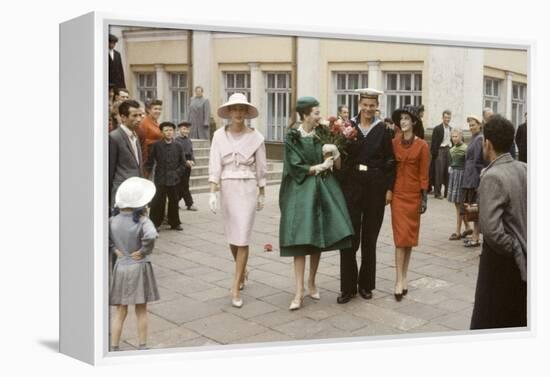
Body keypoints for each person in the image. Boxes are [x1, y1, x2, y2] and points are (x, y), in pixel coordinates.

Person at [279, 97, 354, 310]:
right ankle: (298, 290)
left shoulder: (323, 134)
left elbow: (337, 166)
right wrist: (319, 166)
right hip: (300, 192)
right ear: (304, 115)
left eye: (318, 112)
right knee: (299, 240)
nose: (318, 116)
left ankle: (312, 281)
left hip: (321, 190)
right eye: (314, 112)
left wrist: (336, 152)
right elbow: (295, 168)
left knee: (317, 237)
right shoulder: (292, 137)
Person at [208, 93, 267, 308]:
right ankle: (243, 270)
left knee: (242, 236)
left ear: (247, 112)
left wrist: (262, 193)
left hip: (247, 188)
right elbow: (215, 165)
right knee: (233, 238)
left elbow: (261, 167)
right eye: (235, 109)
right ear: (229, 112)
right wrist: (212, 192)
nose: (238, 113)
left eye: (242, 109)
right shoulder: (218, 136)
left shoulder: (256, 137)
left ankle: (235, 286)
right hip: (227, 189)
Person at [337, 88, 396, 304]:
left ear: (377, 106)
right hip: (352, 188)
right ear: (359, 103)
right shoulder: (348, 127)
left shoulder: (383, 130)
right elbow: (340, 156)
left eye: (373, 105)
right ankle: (347, 287)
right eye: (365, 105)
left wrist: (389, 189)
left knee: (370, 239)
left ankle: (366, 285)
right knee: (349, 239)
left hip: (375, 189)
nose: (369, 109)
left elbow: (390, 161)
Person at [470, 114, 527, 329]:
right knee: (516, 317)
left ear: (488, 143)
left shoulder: (493, 175)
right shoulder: (524, 168)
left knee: (490, 318)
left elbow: (491, 230)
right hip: (523, 261)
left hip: (501, 262)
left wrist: (513, 247)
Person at [109, 177, 160, 351]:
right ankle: (142, 345)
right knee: (141, 309)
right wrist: (144, 251)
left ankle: (114, 346)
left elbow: (104, 236)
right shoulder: (143, 221)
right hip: (139, 267)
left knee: (120, 311)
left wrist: (114, 248)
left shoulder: (112, 221)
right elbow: (152, 235)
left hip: (121, 267)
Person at [389, 105, 429, 300]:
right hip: (398, 195)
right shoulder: (394, 143)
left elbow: (424, 173)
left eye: (407, 118)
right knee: (399, 238)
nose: (403, 122)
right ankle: (397, 279)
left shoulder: (422, 145)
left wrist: (424, 197)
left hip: (413, 196)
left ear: (414, 121)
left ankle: (405, 276)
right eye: (401, 119)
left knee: (409, 239)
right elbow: (389, 169)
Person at [144, 122, 187, 231]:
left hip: (174, 179)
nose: (169, 132)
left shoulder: (178, 146)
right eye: (166, 130)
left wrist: (177, 173)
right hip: (160, 178)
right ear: (162, 132)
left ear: (174, 131)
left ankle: (175, 223)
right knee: (158, 201)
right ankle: (154, 223)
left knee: (174, 201)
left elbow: (183, 163)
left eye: (171, 130)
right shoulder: (156, 145)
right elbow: (150, 161)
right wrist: (146, 174)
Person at [109, 100, 144, 208]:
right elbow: (109, 170)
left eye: (140, 115)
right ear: (123, 117)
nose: (139, 119)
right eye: (134, 116)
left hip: (136, 193)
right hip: (122, 195)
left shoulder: (135, 135)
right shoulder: (114, 137)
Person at [461, 115, 484, 247]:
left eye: (473, 125)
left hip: (474, 178)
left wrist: (476, 182)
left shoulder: (479, 138)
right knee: (472, 208)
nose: (471, 127)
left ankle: (476, 238)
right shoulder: (474, 138)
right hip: (469, 176)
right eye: (469, 125)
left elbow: (478, 162)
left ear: (479, 125)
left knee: (475, 209)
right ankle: (475, 237)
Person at [446, 128, 470, 240]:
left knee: (460, 205)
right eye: (453, 136)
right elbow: (451, 162)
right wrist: (450, 167)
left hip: (462, 177)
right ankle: (468, 226)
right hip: (454, 177)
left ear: (461, 136)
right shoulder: (451, 150)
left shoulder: (466, 148)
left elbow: (467, 164)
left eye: (456, 136)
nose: (454, 138)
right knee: (457, 204)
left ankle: (457, 231)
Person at [430, 110, 453, 199]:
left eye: (449, 117)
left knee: (448, 172)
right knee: (439, 172)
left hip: (449, 150)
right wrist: (434, 154)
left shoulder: (451, 129)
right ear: (442, 118)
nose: (447, 119)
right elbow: (434, 142)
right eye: (446, 117)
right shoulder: (437, 128)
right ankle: (437, 193)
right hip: (440, 150)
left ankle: (447, 193)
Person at [175, 121, 197, 211]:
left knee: (183, 185)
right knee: (183, 185)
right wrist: (185, 162)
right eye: (184, 129)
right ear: (179, 129)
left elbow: (191, 152)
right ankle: (189, 204)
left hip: (188, 164)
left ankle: (174, 202)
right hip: (180, 164)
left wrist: (193, 161)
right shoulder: (176, 140)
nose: (186, 131)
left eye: (187, 129)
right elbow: (178, 154)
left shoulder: (189, 140)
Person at [137, 99, 163, 167]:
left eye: (160, 109)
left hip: (156, 157)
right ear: (148, 110)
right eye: (155, 109)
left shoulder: (156, 122)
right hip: (147, 160)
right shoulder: (144, 123)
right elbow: (141, 140)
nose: (158, 111)